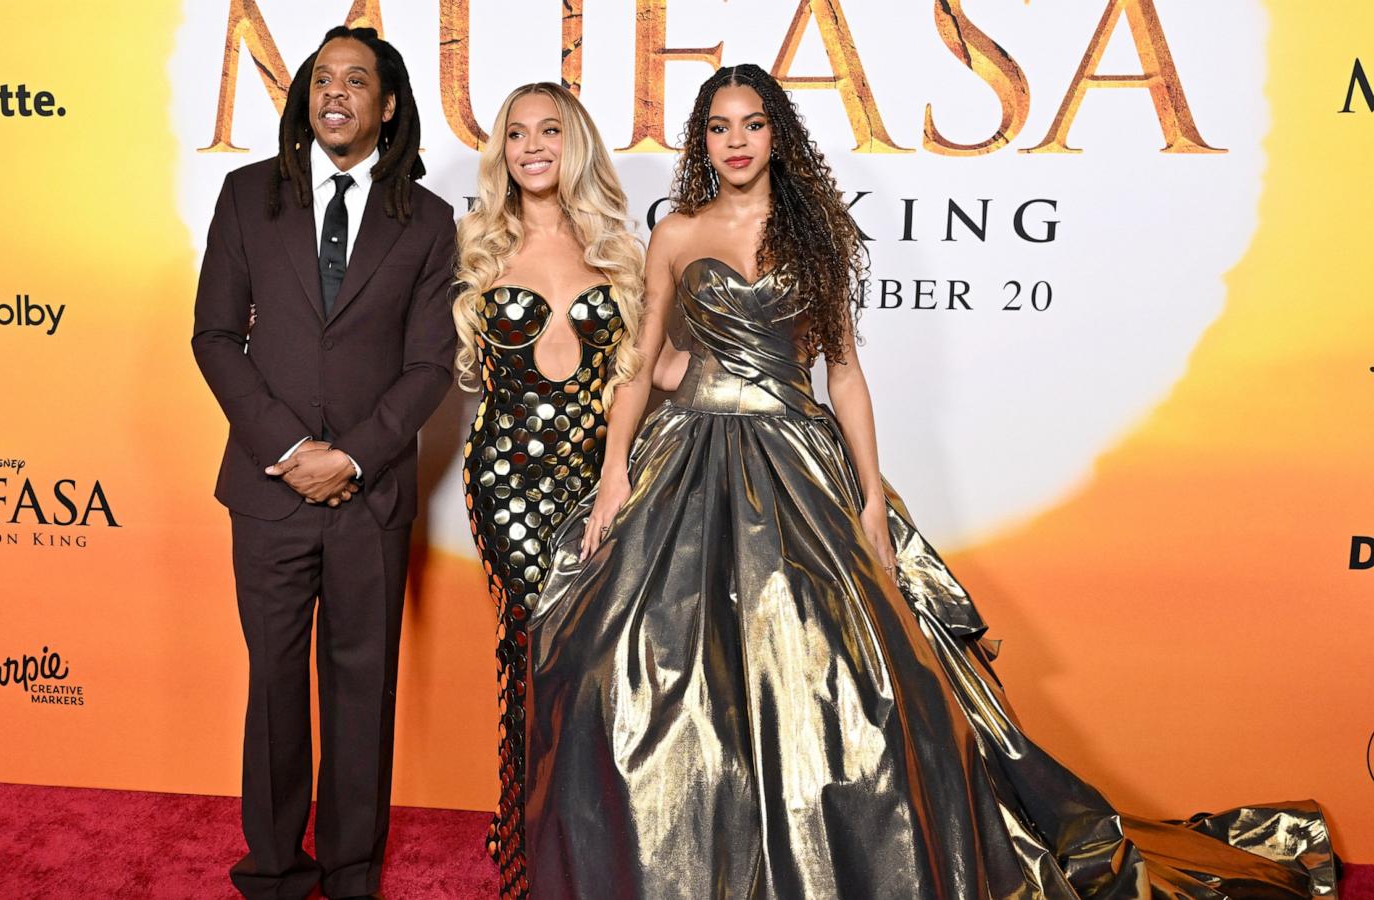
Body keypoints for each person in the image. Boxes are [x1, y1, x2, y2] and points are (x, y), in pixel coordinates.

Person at [524, 64, 1335, 899]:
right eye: (720, 127)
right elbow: (639, 362)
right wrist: (616, 470)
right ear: (703, 141)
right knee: (625, 665)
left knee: (841, 679)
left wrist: (872, 499)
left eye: (753, 124)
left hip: (796, 463)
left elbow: (842, 376)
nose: (736, 142)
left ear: (777, 135)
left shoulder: (816, 233)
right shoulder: (676, 235)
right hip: (685, 460)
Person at [191, 26, 457, 900]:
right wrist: (291, 450)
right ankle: (273, 871)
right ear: (308, 98)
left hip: (369, 497)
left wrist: (352, 458)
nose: (335, 93)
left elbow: (429, 367)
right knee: (273, 688)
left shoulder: (427, 222)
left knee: (360, 692)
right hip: (267, 494)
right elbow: (217, 338)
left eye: (357, 81)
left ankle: (350, 876)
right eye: (322, 80)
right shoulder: (244, 196)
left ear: (387, 105)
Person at [452, 82, 645, 899]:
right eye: (517, 133)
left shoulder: (618, 251)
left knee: (596, 666)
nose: (533, 146)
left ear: (578, 145)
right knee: (529, 654)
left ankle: (586, 834)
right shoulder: (478, 247)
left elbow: (645, 371)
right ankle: (525, 844)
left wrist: (617, 473)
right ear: (503, 151)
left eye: (550, 131)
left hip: (598, 483)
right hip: (507, 480)